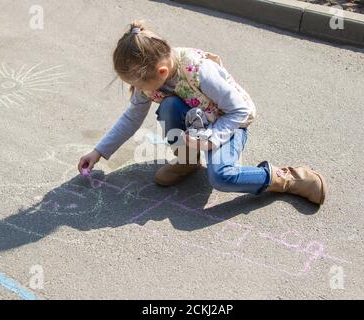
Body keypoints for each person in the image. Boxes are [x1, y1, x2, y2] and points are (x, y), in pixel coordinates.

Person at [78, 20, 327, 205]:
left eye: (139, 85)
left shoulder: (199, 70)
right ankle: (187, 161)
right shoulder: (151, 79)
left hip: (229, 125)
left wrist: (209, 139)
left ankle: (287, 179)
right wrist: (99, 151)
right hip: (198, 127)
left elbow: (240, 110)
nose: (138, 91)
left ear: (162, 72)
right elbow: (132, 117)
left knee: (220, 177)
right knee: (169, 106)